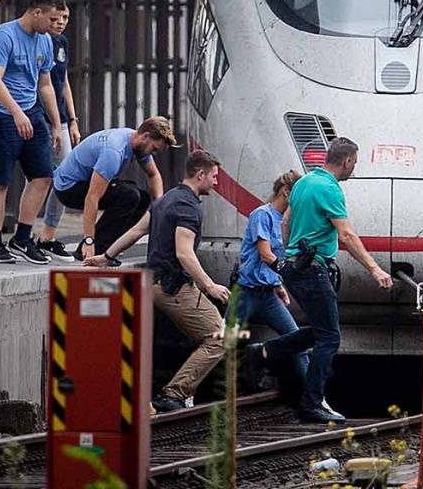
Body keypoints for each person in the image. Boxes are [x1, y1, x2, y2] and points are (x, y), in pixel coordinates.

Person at [281, 137, 393, 423]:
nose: (354, 168)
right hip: (315, 270)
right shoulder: (330, 189)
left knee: (321, 330)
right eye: (354, 163)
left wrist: (288, 256)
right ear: (346, 161)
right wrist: (374, 269)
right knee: (329, 337)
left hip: (295, 268)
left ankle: (265, 352)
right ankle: (311, 402)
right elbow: (346, 235)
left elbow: (285, 222)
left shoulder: (303, 182)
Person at [0, 0, 63, 265]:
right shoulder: (3, 35)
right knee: (0, 180)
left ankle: (22, 238)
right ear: (36, 12)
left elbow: (46, 84)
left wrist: (56, 123)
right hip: (1, 113)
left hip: (32, 110)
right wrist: (16, 113)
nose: (55, 26)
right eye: (51, 19)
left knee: (43, 176)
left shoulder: (45, 41)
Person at [144, 149, 228, 413]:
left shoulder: (166, 198)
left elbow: (138, 229)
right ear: (200, 174)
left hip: (152, 282)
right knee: (219, 337)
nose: (216, 182)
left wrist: (106, 255)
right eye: (214, 176)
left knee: (203, 334)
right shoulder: (187, 207)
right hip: (173, 287)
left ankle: (177, 391)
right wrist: (209, 285)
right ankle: (174, 393)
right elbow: (184, 253)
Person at [48, 117, 173, 261]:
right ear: (145, 136)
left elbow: (153, 175)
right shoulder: (113, 151)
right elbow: (92, 197)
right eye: (154, 149)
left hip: (82, 183)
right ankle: (95, 251)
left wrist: (159, 206)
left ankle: (112, 248)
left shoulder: (136, 142)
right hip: (68, 188)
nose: (153, 154)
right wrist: (89, 240)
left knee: (142, 198)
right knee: (129, 196)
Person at [237, 170, 318, 389]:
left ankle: (312, 396)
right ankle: (192, 390)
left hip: (269, 294)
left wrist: (279, 284)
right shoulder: (261, 215)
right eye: (298, 194)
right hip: (246, 293)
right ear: (286, 192)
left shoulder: (285, 221)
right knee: (224, 342)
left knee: (296, 340)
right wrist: (288, 273)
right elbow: (265, 254)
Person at [36, 3, 81, 257]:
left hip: (60, 118)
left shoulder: (61, 42)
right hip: (37, 116)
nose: (61, 22)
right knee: (39, 176)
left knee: (65, 176)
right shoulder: (38, 41)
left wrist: (72, 120)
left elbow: (63, 82)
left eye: (65, 17)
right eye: (56, 17)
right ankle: (25, 232)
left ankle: (48, 233)